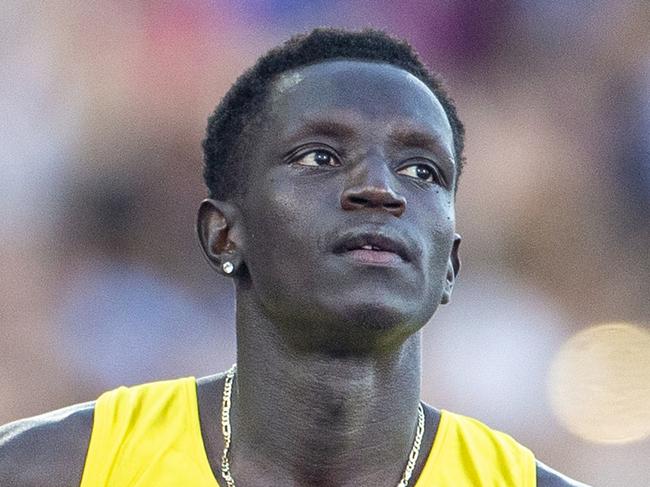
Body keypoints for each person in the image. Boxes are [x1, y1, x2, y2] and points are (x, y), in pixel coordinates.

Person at [0, 28, 588, 486]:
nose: (380, 189)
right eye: (320, 157)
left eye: (421, 170)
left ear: (450, 265)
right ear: (224, 235)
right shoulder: (52, 470)